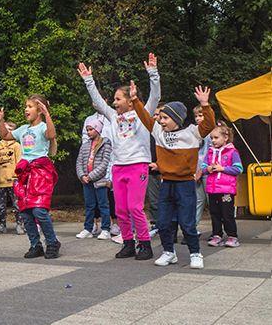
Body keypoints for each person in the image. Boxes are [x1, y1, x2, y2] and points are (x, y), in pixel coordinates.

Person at [77, 53, 160, 261]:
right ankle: (128, 244)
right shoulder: (113, 117)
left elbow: (155, 97)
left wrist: (153, 73)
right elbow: (97, 102)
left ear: (130, 101)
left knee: (135, 207)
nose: (114, 103)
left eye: (117, 99)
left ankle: (145, 244)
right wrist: (89, 80)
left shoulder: (142, 114)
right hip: (118, 167)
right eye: (113, 100)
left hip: (137, 166)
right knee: (121, 209)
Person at [131, 82, 215, 269]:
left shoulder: (193, 132)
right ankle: (169, 252)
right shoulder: (159, 132)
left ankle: (195, 253)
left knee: (187, 222)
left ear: (177, 119)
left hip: (185, 184)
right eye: (160, 117)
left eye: (165, 118)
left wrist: (205, 104)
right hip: (166, 183)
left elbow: (209, 124)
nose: (161, 121)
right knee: (163, 222)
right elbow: (145, 117)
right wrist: (135, 100)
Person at [0, 95, 60, 259]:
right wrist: (1, 121)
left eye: (29, 106)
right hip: (25, 173)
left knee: (39, 210)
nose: (26, 109)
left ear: (39, 110)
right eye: (25, 106)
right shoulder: (23, 129)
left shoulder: (43, 127)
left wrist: (47, 115)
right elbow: (6, 136)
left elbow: (51, 135)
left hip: (40, 172)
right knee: (26, 212)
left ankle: (52, 242)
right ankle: (35, 245)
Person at [203, 122, 243, 248]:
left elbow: (238, 169)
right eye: (211, 138)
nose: (213, 141)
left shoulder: (232, 152)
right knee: (215, 214)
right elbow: (203, 167)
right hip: (212, 189)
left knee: (227, 214)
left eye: (216, 138)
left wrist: (223, 168)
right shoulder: (210, 152)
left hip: (227, 190)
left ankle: (232, 236)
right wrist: (207, 168)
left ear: (225, 138)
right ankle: (217, 235)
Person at [76, 118, 113, 240]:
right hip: (86, 181)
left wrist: (91, 176)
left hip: (100, 181)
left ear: (98, 129)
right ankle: (88, 228)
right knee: (89, 205)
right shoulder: (85, 145)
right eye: (87, 130)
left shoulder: (105, 144)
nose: (88, 132)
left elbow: (104, 163)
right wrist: (82, 175)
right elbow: (79, 162)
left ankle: (106, 229)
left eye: (91, 129)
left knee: (103, 205)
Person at [0, 122, 23, 234]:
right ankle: (2, 225)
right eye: (5, 129)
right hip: (1, 180)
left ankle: (20, 225)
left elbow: (20, 162)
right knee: (1, 205)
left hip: (14, 180)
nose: (6, 131)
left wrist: (18, 177)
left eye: (9, 130)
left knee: (17, 204)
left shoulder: (17, 146)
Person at [146, 103, 165, 237]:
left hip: (165, 171)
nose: (156, 117)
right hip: (150, 170)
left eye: (159, 114)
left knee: (167, 200)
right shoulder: (149, 131)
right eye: (154, 114)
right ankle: (155, 224)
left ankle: (167, 225)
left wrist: (160, 164)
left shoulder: (168, 131)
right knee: (153, 200)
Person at [193, 105, 212, 235]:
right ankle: (192, 228)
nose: (198, 118)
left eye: (201, 115)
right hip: (195, 172)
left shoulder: (211, 133)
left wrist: (202, 170)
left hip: (207, 172)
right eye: (196, 116)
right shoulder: (194, 132)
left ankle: (217, 229)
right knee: (198, 200)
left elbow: (210, 153)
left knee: (211, 201)